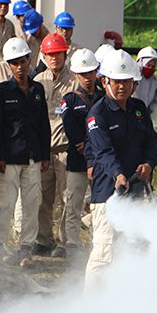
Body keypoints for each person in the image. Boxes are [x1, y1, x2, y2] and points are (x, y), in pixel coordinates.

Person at [83, 52, 157, 293]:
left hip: (137, 191)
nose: (122, 86)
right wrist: (118, 174)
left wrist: (149, 163)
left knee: (136, 247)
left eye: (126, 81)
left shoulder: (139, 108)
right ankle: (90, 305)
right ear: (105, 81)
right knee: (104, 253)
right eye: (116, 81)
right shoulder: (97, 114)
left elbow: (152, 141)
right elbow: (103, 152)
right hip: (108, 193)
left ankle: (127, 300)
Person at [0, 37, 52, 265]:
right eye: (15, 62)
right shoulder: (2, 91)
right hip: (10, 158)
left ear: (29, 60)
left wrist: (45, 154)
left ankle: (26, 247)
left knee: (31, 203)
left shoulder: (37, 89)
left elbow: (43, 124)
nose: (20, 66)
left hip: (33, 157)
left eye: (23, 61)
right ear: (8, 64)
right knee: (5, 204)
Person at [33, 33, 80, 255]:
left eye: (58, 54)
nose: (54, 58)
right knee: (42, 197)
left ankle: (64, 242)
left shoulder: (74, 82)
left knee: (66, 196)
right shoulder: (37, 81)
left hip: (65, 149)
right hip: (43, 150)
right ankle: (43, 239)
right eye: (50, 54)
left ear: (65, 54)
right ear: (43, 55)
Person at [56, 49, 103, 257]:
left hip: (100, 160)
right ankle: (72, 243)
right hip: (77, 159)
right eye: (83, 73)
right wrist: (85, 142)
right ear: (75, 74)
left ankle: (98, 241)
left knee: (99, 203)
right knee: (74, 202)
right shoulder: (70, 100)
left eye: (91, 72)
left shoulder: (103, 97)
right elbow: (70, 127)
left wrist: (92, 144)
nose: (87, 77)